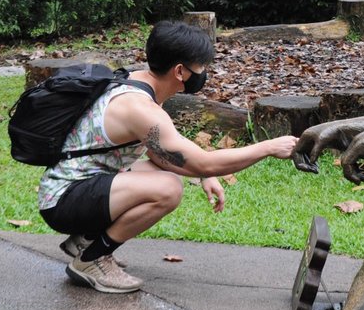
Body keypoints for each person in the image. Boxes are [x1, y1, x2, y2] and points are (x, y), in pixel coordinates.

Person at [38, 21, 298, 293]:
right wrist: (267, 147)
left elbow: (160, 155)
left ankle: (85, 240)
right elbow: (202, 160)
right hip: (63, 200)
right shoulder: (141, 108)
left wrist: (203, 174)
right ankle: (92, 259)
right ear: (179, 71)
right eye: (200, 67)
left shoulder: (137, 82)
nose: (203, 73)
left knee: (162, 174)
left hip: (75, 186)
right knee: (168, 188)